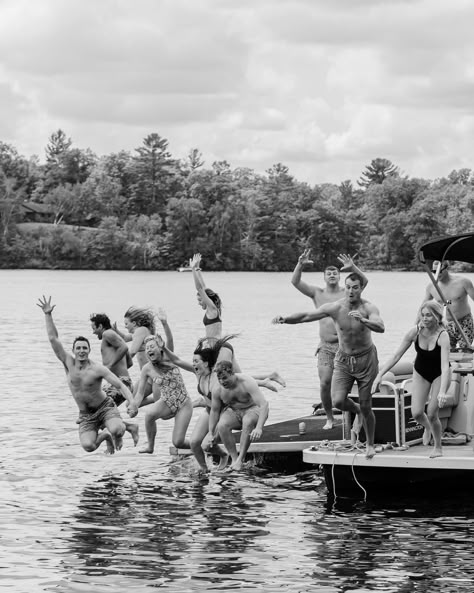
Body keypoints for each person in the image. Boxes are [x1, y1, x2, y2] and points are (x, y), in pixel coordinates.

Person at [272, 272, 384, 459]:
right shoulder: (335, 308)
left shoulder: (368, 307)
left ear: (361, 288)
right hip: (343, 359)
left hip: (366, 359)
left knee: (367, 405)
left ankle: (370, 444)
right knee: (338, 401)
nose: (350, 291)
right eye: (347, 287)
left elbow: (381, 327)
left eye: (355, 287)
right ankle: (356, 411)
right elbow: (307, 315)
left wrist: (364, 320)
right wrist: (285, 319)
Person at [37, 296, 138, 454]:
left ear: (89, 350)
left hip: (104, 408)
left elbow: (119, 385)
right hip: (86, 415)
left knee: (118, 429)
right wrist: (48, 315)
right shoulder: (68, 364)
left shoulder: (97, 369)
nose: (82, 351)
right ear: (74, 351)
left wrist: (132, 402)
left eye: (85, 348)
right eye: (78, 348)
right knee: (88, 446)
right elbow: (53, 338)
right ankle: (105, 437)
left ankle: (117, 432)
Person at [291, 249, 368, 429]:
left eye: (335, 273)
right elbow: (295, 281)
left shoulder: (347, 292)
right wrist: (300, 265)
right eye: (329, 273)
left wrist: (353, 266)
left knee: (345, 386)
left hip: (346, 346)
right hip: (326, 346)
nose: (332, 275)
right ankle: (329, 417)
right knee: (325, 382)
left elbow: (364, 282)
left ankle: (356, 411)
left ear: (340, 276)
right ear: (324, 277)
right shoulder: (317, 293)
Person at [189, 252, 285, 391]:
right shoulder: (211, 310)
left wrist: (192, 269)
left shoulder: (212, 309)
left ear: (206, 299)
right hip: (221, 348)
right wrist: (197, 269)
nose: (199, 303)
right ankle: (271, 376)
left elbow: (200, 288)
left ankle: (264, 383)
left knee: (231, 378)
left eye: (200, 300)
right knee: (240, 376)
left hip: (220, 348)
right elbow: (203, 288)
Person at [372, 301, 450, 458]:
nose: (425, 318)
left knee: (432, 412)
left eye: (429, 315)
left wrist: (442, 392)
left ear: (437, 316)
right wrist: (379, 375)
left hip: (439, 375)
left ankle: (438, 447)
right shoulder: (414, 332)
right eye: (422, 315)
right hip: (421, 372)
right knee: (416, 413)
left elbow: (445, 367)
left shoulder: (443, 336)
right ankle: (427, 428)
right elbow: (396, 355)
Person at [161, 337, 235, 472]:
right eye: (193, 361)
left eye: (196, 361)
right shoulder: (198, 373)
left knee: (206, 444)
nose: (193, 364)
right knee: (195, 443)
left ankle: (224, 455)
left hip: (223, 412)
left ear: (206, 363)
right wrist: (164, 348)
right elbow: (176, 360)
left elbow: (237, 380)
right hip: (209, 410)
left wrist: (212, 432)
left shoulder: (216, 376)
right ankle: (205, 469)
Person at [134, 335, 193, 454]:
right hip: (166, 402)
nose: (149, 349)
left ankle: (198, 445)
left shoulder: (169, 358)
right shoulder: (147, 369)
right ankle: (150, 446)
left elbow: (171, 342)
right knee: (149, 415)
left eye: (152, 346)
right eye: (146, 348)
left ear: (160, 348)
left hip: (183, 403)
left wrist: (164, 323)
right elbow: (140, 393)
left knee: (178, 442)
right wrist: (134, 405)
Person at [208, 360, 269, 471]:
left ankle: (241, 459)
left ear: (232, 373)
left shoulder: (247, 382)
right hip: (234, 411)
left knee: (248, 421)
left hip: (253, 409)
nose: (222, 381)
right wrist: (211, 433)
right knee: (222, 425)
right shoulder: (217, 389)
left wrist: (259, 428)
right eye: (220, 379)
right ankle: (235, 459)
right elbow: (214, 411)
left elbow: (264, 405)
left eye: (225, 378)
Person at [90, 313, 139, 445]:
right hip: (123, 382)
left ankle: (124, 430)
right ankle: (127, 428)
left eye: (94, 328)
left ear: (100, 326)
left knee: (97, 411)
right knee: (95, 410)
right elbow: (130, 363)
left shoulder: (107, 334)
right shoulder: (113, 337)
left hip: (121, 383)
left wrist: (110, 365)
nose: (93, 332)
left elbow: (124, 347)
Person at [424, 260, 474, 350]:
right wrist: (417, 324)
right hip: (446, 324)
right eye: (434, 271)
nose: (437, 274)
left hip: (465, 322)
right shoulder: (431, 287)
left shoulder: (463, 282)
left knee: (465, 351)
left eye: (440, 271)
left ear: (447, 268)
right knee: (445, 352)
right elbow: (424, 306)